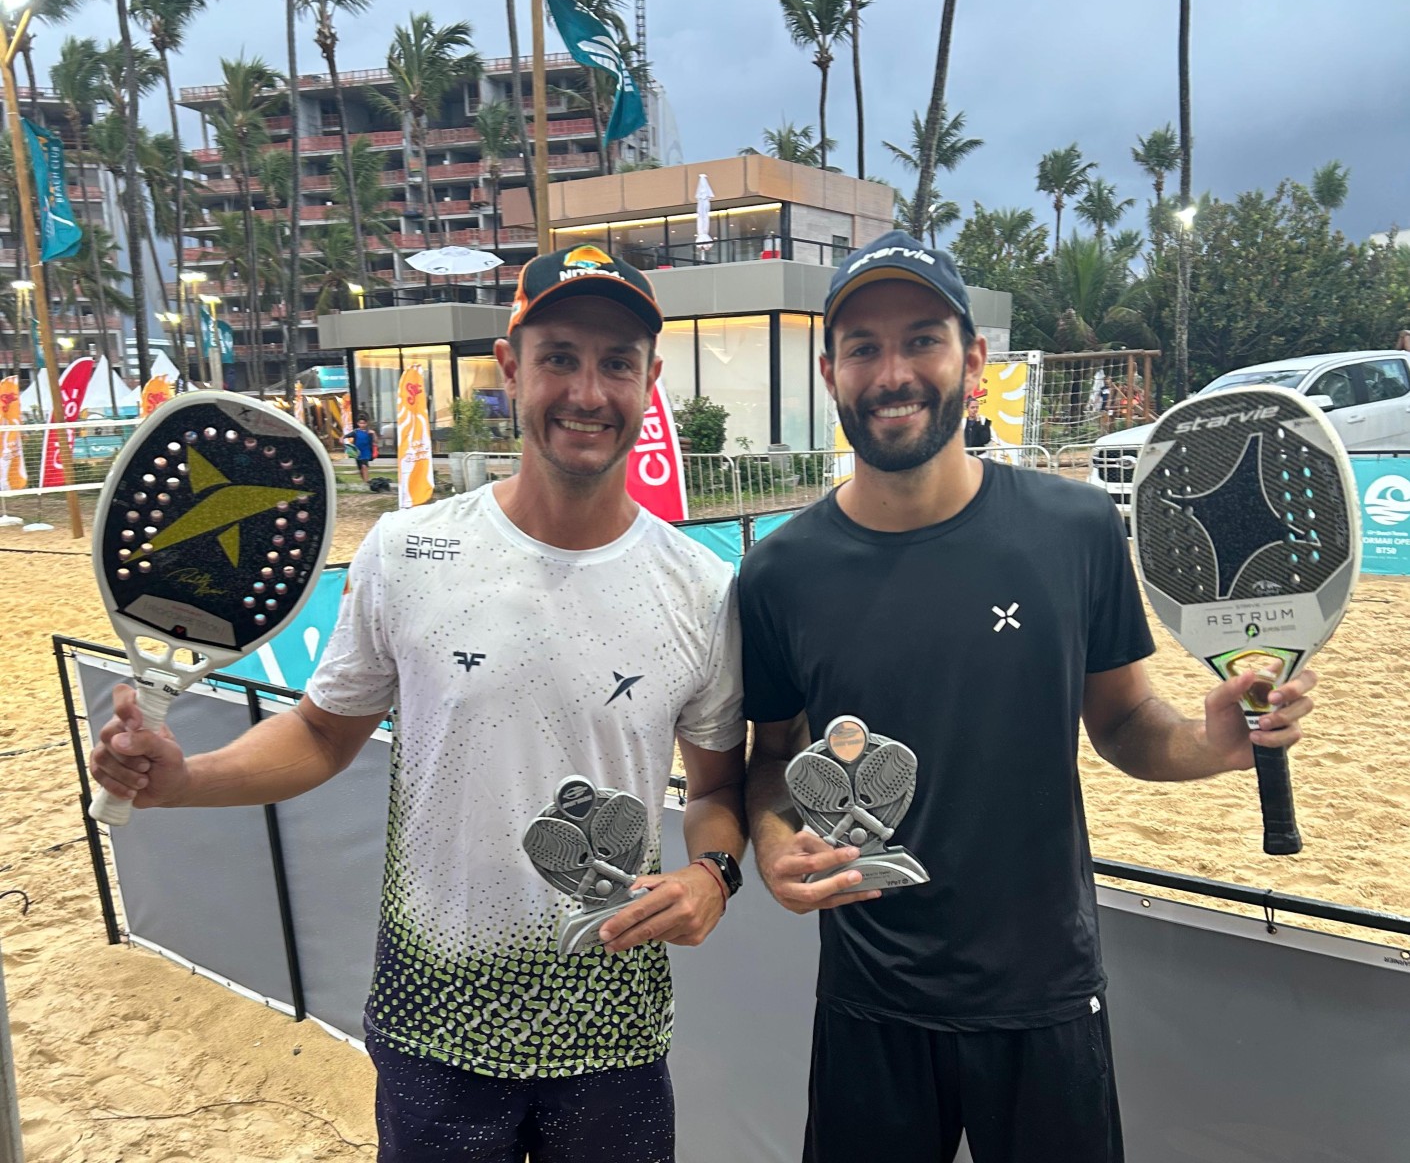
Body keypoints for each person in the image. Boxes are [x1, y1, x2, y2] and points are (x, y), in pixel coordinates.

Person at [90, 246, 749, 1162]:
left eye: (616, 363)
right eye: (559, 356)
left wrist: (712, 877)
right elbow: (323, 734)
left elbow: (719, 790)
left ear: (651, 381)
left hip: (614, 1032)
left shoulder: (700, 590)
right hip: (432, 1024)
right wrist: (182, 779)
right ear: (510, 367)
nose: (587, 391)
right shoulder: (407, 553)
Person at [738, 229, 1318, 1163]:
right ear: (829, 372)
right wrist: (771, 845)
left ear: (971, 360)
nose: (893, 372)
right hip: (869, 1004)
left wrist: (1214, 744)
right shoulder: (776, 575)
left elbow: (1125, 721)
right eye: (863, 347)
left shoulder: (1076, 528)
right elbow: (770, 761)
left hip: (1045, 1001)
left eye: (922, 338)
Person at [344, 415, 376, 484]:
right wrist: (342, 438)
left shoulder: (369, 432)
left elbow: (376, 441)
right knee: (360, 469)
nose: (362, 425)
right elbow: (346, 436)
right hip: (358, 453)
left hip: (366, 452)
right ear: (358, 424)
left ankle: (367, 482)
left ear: (366, 423)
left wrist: (374, 434)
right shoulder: (355, 432)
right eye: (360, 423)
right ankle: (364, 481)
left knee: (364, 466)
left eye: (364, 423)